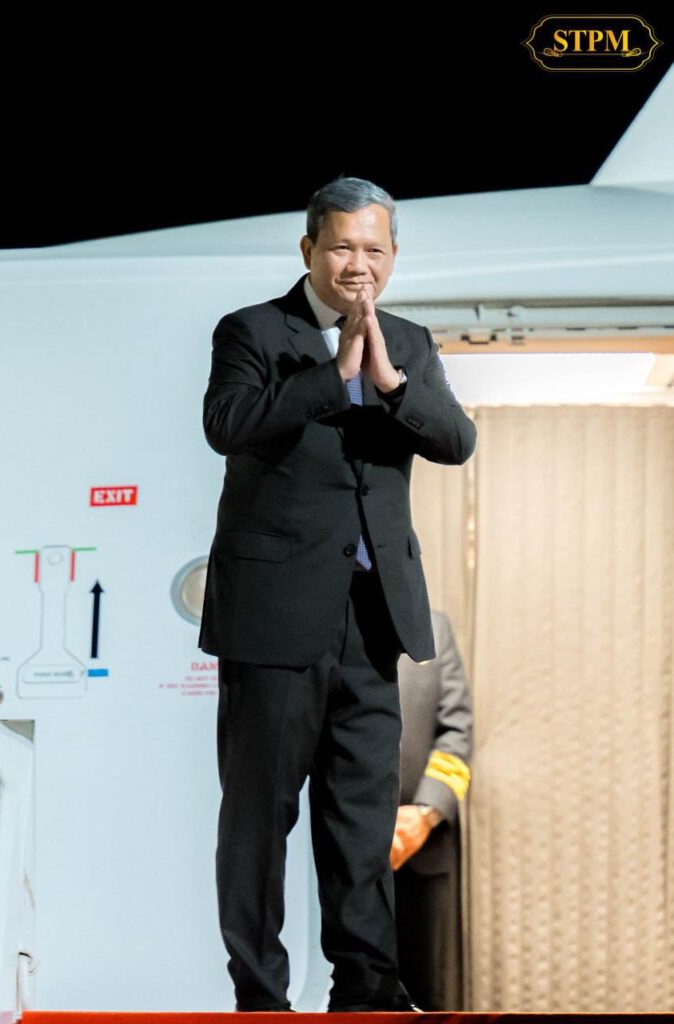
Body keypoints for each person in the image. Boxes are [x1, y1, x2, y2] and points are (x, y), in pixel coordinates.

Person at [198, 175, 477, 1012]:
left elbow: (456, 440)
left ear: (393, 256)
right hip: (274, 617)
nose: (360, 264)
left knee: (361, 818)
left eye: (375, 249)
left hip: (373, 617)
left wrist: (390, 382)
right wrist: (334, 373)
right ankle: (260, 993)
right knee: (260, 818)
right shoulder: (252, 330)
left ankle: (365, 988)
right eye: (344, 247)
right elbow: (227, 425)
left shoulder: (411, 342)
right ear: (310, 248)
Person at [392, 608, 474, 1010]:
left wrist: (424, 814)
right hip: (331, 851)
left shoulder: (434, 629)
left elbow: (457, 734)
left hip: (417, 853)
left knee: (423, 996)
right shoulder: (323, 622)